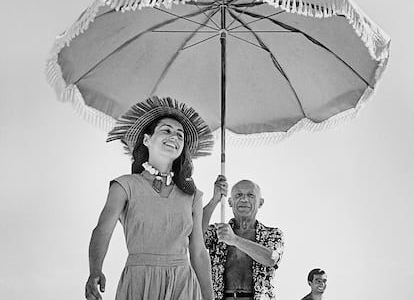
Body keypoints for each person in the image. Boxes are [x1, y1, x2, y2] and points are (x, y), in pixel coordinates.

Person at [85, 96, 215, 300]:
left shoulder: (192, 194)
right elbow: (103, 230)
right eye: (167, 130)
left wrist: (209, 297)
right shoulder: (124, 185)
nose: (174, 137)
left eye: (180, 135)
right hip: (140, 280)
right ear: (147, 140)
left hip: (183, 283)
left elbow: (198, 251)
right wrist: (95, 270)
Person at [203, 177, 284, 300]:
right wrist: (214, 200)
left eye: (251, 195)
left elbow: (271, 259)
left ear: (260, 203)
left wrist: (235, 240)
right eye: (239, 195)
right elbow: (193, 234)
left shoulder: (272, 234)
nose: (244, 199)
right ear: (230, 202)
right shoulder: (218, 233)